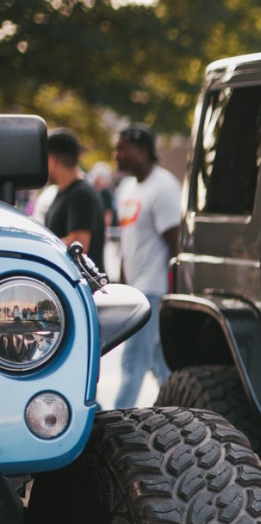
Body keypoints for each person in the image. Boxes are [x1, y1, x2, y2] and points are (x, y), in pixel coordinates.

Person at [112, 124, 183, 408]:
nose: (115, 154)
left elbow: (176, 245)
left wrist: (174, 295)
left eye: (121, 148)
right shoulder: (128, 187)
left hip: (154, 290)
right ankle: (180, 414)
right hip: (136, 289)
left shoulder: (164, 187)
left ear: (141, 151)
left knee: (133, 363)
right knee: (160, 364)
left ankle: (113, 425)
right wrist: (121, 285)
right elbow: (127, 241)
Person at [42, 128, 106, 269]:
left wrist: (40, 247)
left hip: (79, 281)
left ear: (51, 160)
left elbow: (79, 244)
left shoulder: (81, 194)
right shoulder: (65, 192)